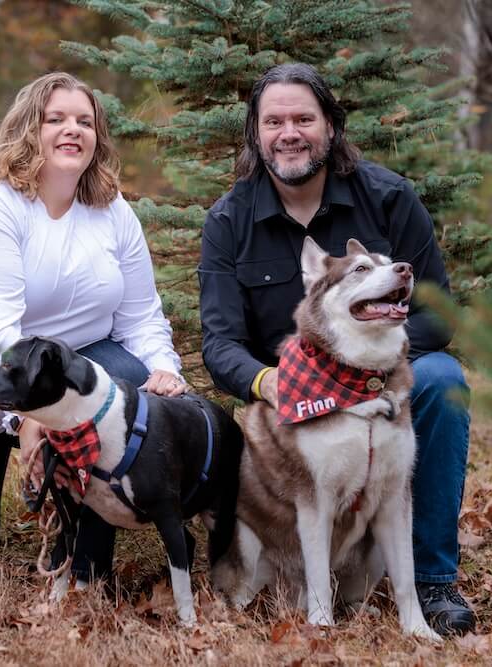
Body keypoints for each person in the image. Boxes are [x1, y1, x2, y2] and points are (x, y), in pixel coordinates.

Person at [198, 63, 475, 636]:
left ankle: (433, 582)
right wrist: (268, 382)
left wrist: (364, 364)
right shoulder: (229, 221)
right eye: (273, 121)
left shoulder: (389, 198)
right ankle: (269, 571)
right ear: (256, 133)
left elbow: (437, 314)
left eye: (303, 118)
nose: (289, 132)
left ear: (330, 126)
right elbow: (221, 343)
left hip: (380, 374)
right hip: (292, 396)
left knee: (443, 380)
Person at [0, 73, 186, 571]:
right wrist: (27, 418)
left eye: (85, 121)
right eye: (56, 119)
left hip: (46, 382)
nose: (73, 130)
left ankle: (86, 570)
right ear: (28, 129)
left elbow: (141, 316)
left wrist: (166, 371)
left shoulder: (112, 210)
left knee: (125, 380)